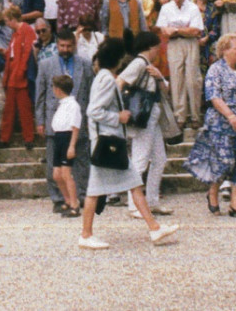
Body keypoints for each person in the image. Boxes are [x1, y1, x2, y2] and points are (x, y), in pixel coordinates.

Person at [78, 39, 180, 249]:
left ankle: (154, 228)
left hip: (108, 142)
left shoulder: (104, 77)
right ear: (118, 59)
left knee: (133, 183)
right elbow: (94, 111)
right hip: (107, 142)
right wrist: (119, 116)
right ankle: (86, 234)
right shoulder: (106, 79)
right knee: (98, 189)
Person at [186, 34, 236, 217]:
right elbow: (213, 96)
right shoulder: (215, 70)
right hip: (222, 123)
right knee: (225, 161)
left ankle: (235, 203)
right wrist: (230, 116)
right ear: (225, 50)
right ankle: (213, 192)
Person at [118, 31, 175, 217]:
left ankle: (151, 201)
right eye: (157, 47)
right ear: (151, 47)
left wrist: (159, 77)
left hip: (152, 116)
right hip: (143, 117)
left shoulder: (148, 65)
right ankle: (135, 205)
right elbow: (119, 82)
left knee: (159, 159)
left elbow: (165, 90)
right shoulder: (138, 63)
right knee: (140, 160)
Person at [36, 28, 93, 213]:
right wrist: (40, 120)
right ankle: (59, 198)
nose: (65, 49)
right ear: (56, 45)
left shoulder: (85, 64)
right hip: (55, 120)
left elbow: (91, 92)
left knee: (82, 160)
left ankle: (81, 195)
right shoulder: (45, 65)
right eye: (62, 46)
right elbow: (40, 94)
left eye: (69, 46)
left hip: (78, 118)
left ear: (74, 45)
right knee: (54, 162)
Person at [158, 0, 205, 128]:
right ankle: (180, 116)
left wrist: (176, 29)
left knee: (192, 79)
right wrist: (184, 29)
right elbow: (164, 30)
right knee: (177, 79)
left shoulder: (192, 7)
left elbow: (196, 30)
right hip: (174, 44)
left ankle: (195, 115)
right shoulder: (166, 8)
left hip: (190, 43)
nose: (177, 0)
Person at [0, 7, 37, 147]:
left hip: (20, 74)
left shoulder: (26, 30)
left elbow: (27, 53)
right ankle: (4, 138)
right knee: (9, 109)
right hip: (13, 72)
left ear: (14, 19)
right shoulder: (15, 34)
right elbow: (14, 53)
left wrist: (21, 72)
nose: (7, 24)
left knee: (24, 108)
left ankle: (29, 138)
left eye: (8, 21)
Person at [49, 75, 83, 216]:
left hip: (67, 137)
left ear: (58, 89)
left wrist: (72, 146)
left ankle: (75, 204)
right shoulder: (62, 104)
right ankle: (67, 200)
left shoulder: (73, 105)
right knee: (57, 175)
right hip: (58, 137)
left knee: (66, 173)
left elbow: (75, 126)